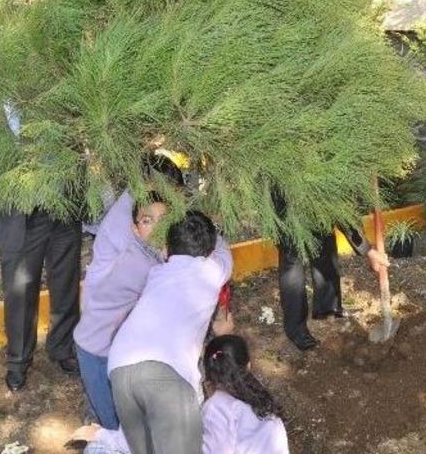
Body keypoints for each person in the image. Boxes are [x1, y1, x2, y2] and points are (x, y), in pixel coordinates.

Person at [0, 102, 81, 391]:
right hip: (19, 216)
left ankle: (62, 348)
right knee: (19, 291)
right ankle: (18, 360)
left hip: (63, 208)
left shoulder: (52, 87)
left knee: (66, 284)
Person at [107, 211, 233, 454]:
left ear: (167, 249)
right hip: (165, 374)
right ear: (208, 254)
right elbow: (225, 253)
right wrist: (214, 226)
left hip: (119, 367)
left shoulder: (158, 273)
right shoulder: (211, 270)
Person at [79, 335, 290, 454]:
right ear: (249, 366)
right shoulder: (266, 407)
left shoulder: (217, 409)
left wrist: (102, 435)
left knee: (96, 450)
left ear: (206, 373)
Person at [72, 191, 168, 430]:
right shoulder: (141, 264)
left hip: (112, 344)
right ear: (134, 228)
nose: (156, 228)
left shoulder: (143, 252)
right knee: (112, 424)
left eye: (162, 221)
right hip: (96, 350)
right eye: (147, 221)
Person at [273, 189, 390, 351]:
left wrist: (367, 250)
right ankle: (296, 331)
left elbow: (340, 210)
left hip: (317, 198)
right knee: (292, 261)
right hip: (285, 203)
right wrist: (368, 251)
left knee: (324, 239)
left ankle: (328, 307)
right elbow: (341, 213)